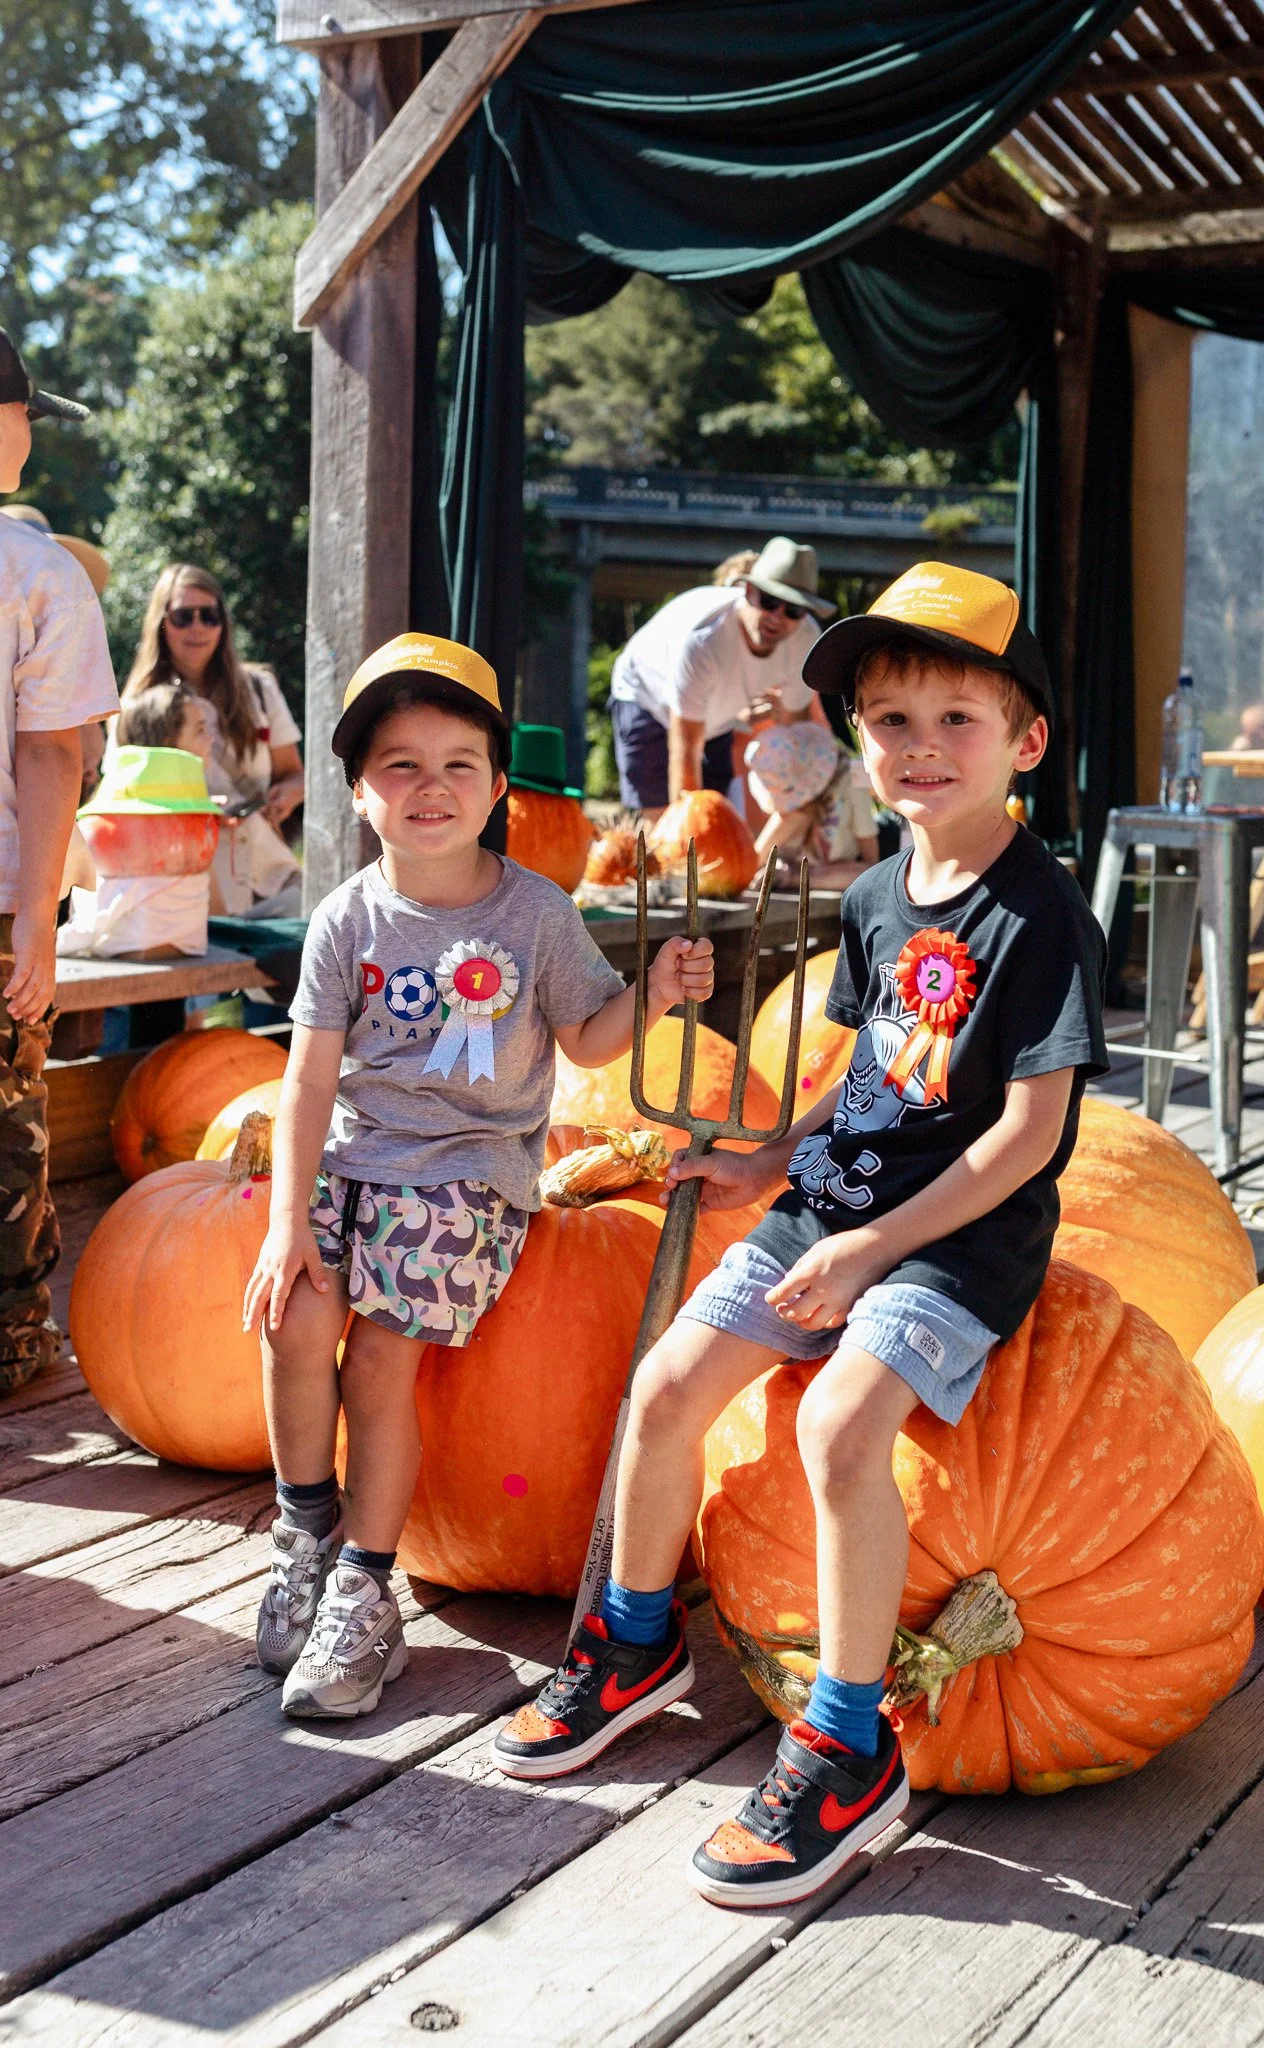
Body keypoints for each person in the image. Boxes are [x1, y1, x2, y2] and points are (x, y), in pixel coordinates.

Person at [493, 561, 1108, 1909]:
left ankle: (843, 1741)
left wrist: (873, 1247)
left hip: (959, 1237)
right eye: (891, 721)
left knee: (838, 1427)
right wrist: (778, 1157)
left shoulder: (1041, 913)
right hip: (830, 1204)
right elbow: (880, 1072)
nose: (919, 748)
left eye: (957, 719)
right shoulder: (884, 893)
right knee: (662, 1388)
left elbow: (1025, 1138)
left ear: (1026, 742)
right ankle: (636, 1644)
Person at [242, 632, 714, 1720]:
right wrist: (286, 1226)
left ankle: (367, 1583)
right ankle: (303, 1532)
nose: (431, 785)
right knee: (295, 1321)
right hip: (354, 1157)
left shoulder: (537, 913)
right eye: (400, 763)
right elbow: (311, 1080)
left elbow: (589, 1043)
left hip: (464, 1177)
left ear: (499, 787)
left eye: (459, 762)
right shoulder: (346, 916)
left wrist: (651, 993)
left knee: (378, 1358)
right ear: (360, 791)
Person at [0, 330, 119, 1388]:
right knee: (3, 1123)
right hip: (0, 895)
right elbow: (50, 753)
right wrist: (37, 912)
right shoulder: (37, 570)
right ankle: (6, 1337)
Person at [609, 536, 835, 821]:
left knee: (716, 813)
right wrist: (686, 835)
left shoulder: (805, 640)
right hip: (646, 696)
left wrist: (798, 804)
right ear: (749, 590)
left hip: (716, 720)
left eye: (794, 609)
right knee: (663, 819)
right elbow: (685, 748)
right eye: (769, 601)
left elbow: (791, 734)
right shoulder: (705, 638)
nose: (778, 617)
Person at [122, 565, 304, 917]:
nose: (198, 627)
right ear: (161, 622)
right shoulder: (137, 703)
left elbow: (294, 774)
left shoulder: (258, 689)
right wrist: (196, 810)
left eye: (209, 615)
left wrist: (285, 797)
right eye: (182, 616)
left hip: (267, 875)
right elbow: (127, 797)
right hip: (185, 880)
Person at [744, 719, 879, 890]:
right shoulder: (791, 812)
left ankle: (797, 878)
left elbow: (871, 866)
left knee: (864, 874)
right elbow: (754, 861)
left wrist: (796, 877)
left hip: (834, 873)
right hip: (795, 874)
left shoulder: (850, 781)